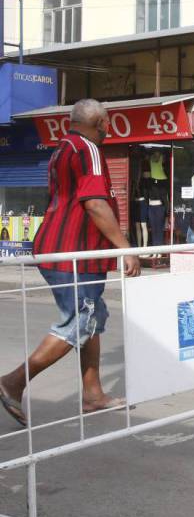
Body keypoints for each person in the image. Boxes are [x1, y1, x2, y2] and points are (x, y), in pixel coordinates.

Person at [0, 99, 141, 428]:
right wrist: (126, 248)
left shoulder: (62, 148)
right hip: (74, 253)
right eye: (107, 124)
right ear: (102, 123)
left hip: (62, 251)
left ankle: (93, 394)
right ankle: (13, 381)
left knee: (93, 315)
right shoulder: (88, 149)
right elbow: (94, 203)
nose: (107, 130)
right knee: (82, 319)